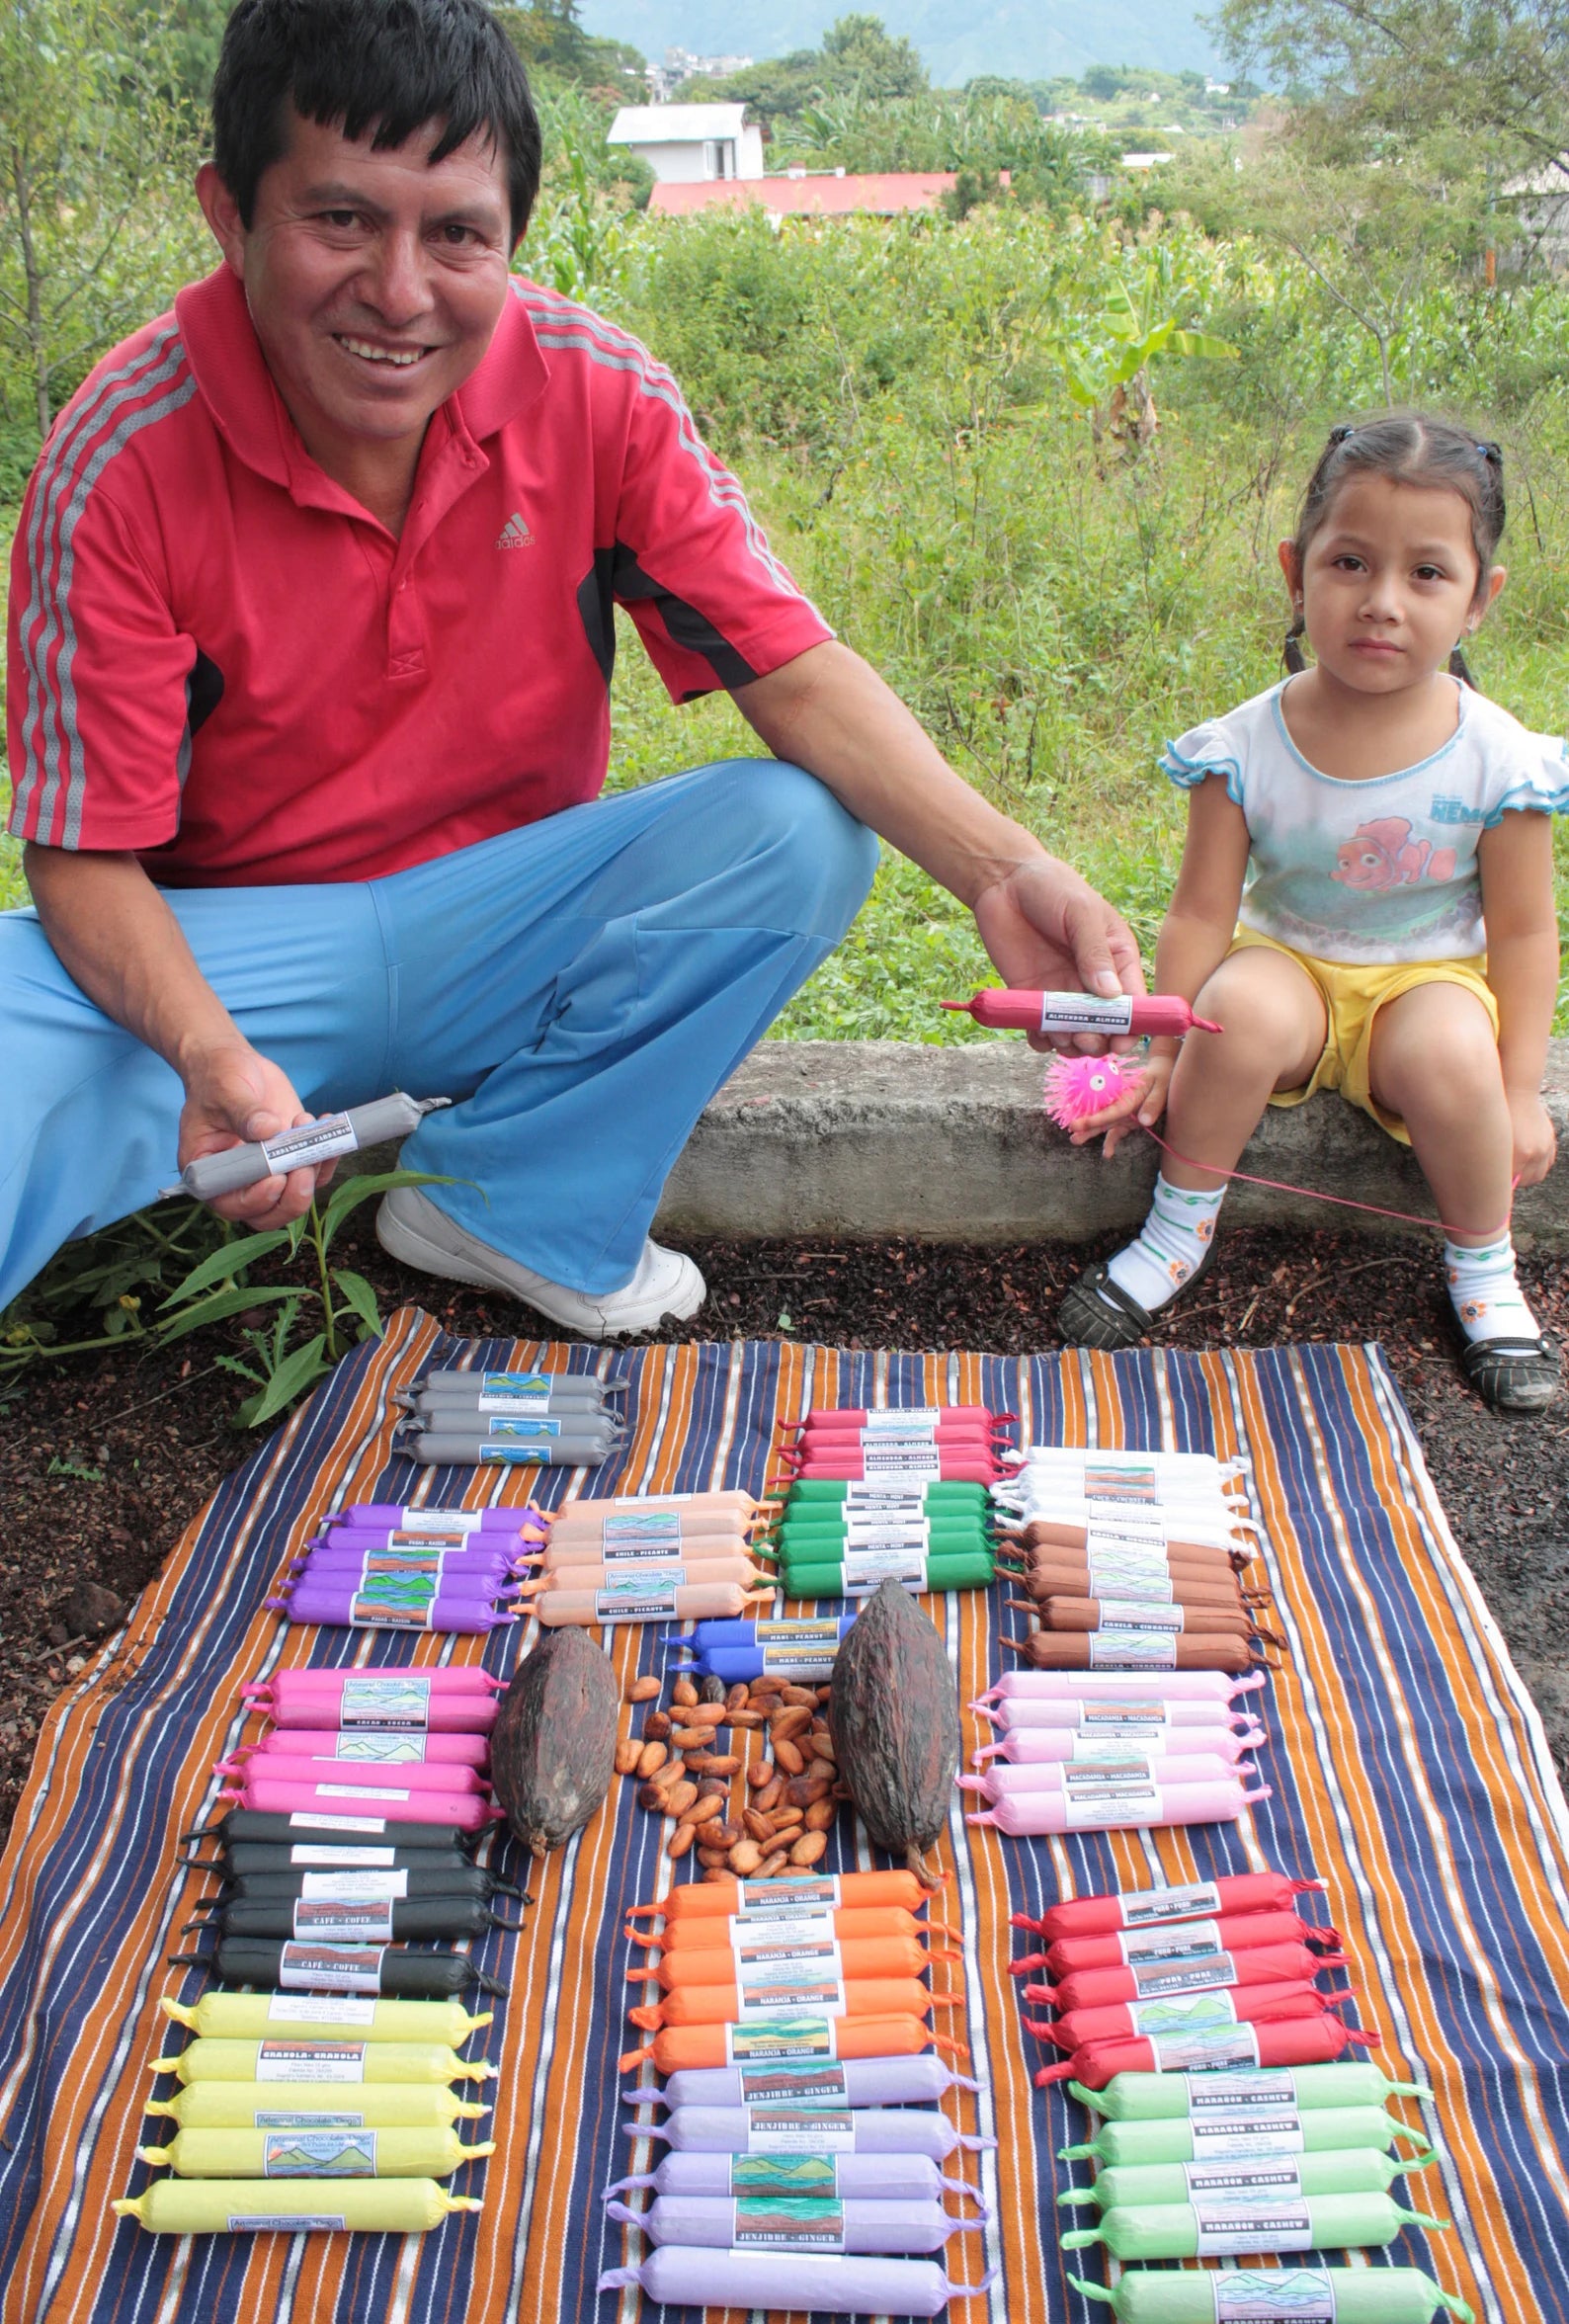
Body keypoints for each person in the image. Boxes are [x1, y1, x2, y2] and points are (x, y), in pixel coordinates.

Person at [3, 0, 1142, 1341]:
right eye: (340, 219)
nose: (400, 291)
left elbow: (787, 663)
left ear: (513, 238)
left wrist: (1001, 871)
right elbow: (83, 854)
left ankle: (513, 1199)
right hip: (246, 962)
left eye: (457, 234)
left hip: (505, 924)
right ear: (228, 212)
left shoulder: (594, 388)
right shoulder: (123, 454)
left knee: (786, 831)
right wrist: (208, 1051)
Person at [1055, 414, 1564, 1412]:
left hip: (1426, 979)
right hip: (1287, 965)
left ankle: (1482, 1270)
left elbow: (1522, 931)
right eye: (1349, 562)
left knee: (1455, 1053)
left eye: (1426, 574)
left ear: (1478, 600)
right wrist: (1162, 1049)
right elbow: (1202, 910)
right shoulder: (1244, 745)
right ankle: (1175, 1230)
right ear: (1297, 571)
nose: (1380, 603)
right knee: (1230, 1011)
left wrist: (1518, 1088)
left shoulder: (1498, 760)